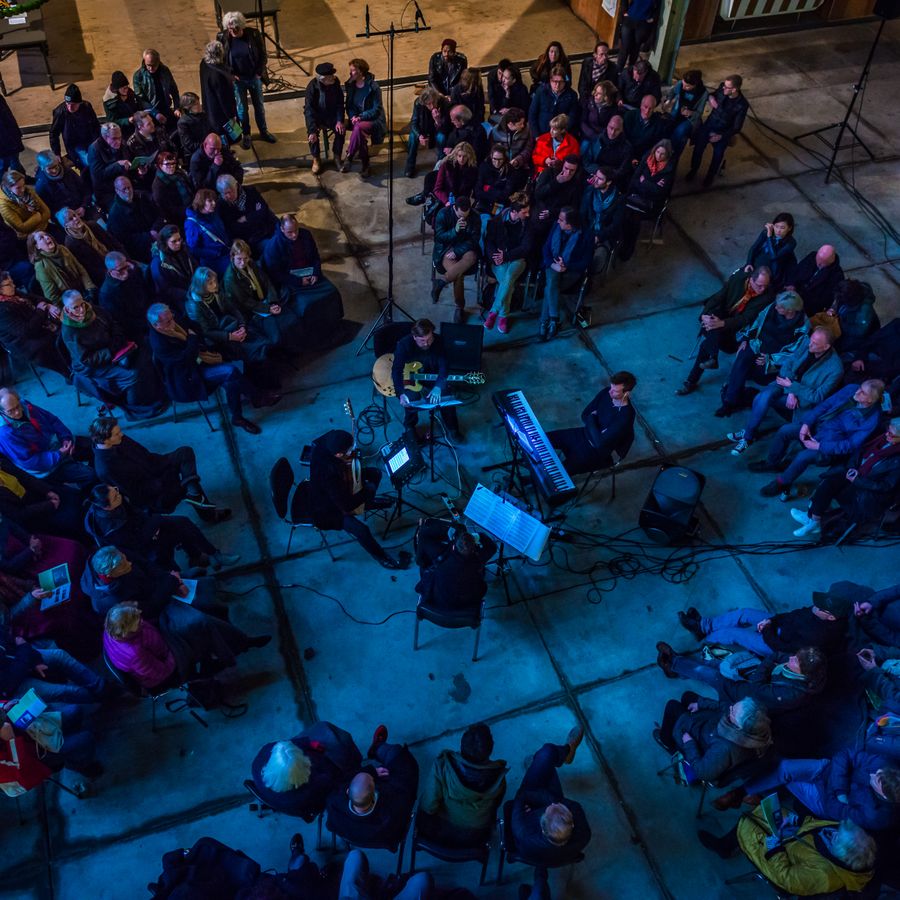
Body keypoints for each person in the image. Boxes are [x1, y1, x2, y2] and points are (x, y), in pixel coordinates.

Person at [84, 546, 270, 660]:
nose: (129, 563)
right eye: (124, 566)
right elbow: (150, 608)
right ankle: (240, 643)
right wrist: (171, 584)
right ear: (108, 575)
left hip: (162, 586)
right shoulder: (111, 601)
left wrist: (172, 580)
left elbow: (147, 565)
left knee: (204, 588)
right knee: (200, 619)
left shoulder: (116, 554)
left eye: (125, 559)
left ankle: (230, 634)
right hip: (157, 613)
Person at [750, 379, 883, 500]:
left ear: (870, 400)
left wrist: (819, 446)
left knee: (803, 456)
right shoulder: (852, 388)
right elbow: (825, 405)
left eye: (863, 392)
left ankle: (781, 482)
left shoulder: (872, 419)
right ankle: (772, 463)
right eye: (860, 387)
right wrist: (807, 424)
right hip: (818, 426)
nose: (857, 391)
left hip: (829, 444)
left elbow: (850, 445)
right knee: (785, 430)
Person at [727, 326, 844, 457]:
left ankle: (748, 435)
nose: (810, 345)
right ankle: (748, 436)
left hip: (802, 400)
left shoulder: (835, 369)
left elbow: (818, 396)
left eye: (815, 344)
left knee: (763, 399)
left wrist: (793, 387)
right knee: (764, 396)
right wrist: (791, 391)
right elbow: (787, 365)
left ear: (826, 347)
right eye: (811, 340)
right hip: (786, 385)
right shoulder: (807, 343)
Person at [148, 301, 262, 435]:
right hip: (188, 376)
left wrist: (193, 341)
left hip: (201, 359)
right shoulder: (159, 343)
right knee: (230, 371)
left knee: (231, 380)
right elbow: (186, 359)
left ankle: (238, 417)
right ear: (157, 325)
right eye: (167, 321)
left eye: (171, 316)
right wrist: (192, 339)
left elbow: (196, 328)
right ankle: (256, 396)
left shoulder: (173, 319)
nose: (172, 321)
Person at [698, 814, 876, 897]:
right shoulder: (845, 834)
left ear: (841, 855)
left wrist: (774, 849)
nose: (833, 831)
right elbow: (818, 827)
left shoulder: (825, 876)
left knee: (747, 824)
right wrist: (797, 820)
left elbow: (786, 879)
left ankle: (724, 847)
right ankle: (728, 844)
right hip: (793, 840)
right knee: (762, 812)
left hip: (778, 864)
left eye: (837, 837)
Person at [90, 414, 231, 519]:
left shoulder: (118, 440)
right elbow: (134, 492)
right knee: (185, 484)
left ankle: (193, 493)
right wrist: (162, 481)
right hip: (153, 491)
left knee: (185, 452)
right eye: (117, 434)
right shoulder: (105, 468)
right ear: (105, 439)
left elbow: (145, 453)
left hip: (155, 466)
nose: (121, 434)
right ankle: (207, 512)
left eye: (119, 431)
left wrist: (162, 463)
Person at [308, 429, 409, 569]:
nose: (351, 452)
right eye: (348, 451)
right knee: (361, 530)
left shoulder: (325, 441)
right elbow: (346, 505)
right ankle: (382, 557)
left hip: (337, 484)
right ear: (338, 454)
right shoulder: (329, 475)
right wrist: (368, 491)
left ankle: (367, 503)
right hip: (327, 508)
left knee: (375, 474)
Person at [61, 290, 168, 419]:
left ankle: (152, 393)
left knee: (145, 356)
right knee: (132, 374)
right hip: (93, 366)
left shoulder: (93, 310)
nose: (82, 310)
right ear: (67, 309)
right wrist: (111, 351)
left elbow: (113, 324)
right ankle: (136, 405)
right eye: (76, 307)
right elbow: (87, 359)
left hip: (114, 348)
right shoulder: (69, 331)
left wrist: (117, 339)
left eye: (82, 304)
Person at [739, 750, 900, 835]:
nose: (873, 773)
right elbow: (845, 754)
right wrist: (840, 791)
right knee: (784, 767)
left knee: (786, 776)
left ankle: (750, 792)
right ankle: (743, 791)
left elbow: (833, 809)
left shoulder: (877, 817)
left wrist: (836, 790)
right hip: (828, 770)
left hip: (822, 799)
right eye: (877, 772)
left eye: (876, 779)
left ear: (883, 794)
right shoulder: (888, 767)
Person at [85, 482, 236, 572]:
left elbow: (135, 512)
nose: (119, 494)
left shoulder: (116, 500)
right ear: (106, 507)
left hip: (145, 526)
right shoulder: (111, 529)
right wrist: (154, 527)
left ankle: (211, 555)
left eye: (115, 490)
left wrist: (150, 521)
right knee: (166, 555)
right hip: (142, 547)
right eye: (115, 496)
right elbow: (135, 544)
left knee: (182, 523)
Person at [675, 266, 775, 397]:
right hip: (721, 320)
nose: (762, 289)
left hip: (737, 334)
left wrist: (721, 323)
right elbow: (719, 297)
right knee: (712, 318)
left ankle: (705, 365)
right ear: (751, 279)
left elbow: (745, 319)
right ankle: (705, 365)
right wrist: (704, 314)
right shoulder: (738, 279)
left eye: (765, 286)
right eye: (759, 285)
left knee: (706, 344)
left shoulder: (766, 297)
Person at [792, 418, 900, 538]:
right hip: (856, 474)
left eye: (891, 434)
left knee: (833, 488)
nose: (886, 434)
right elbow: (859, 452)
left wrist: (857, 480)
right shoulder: (881, 439)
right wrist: (852, 467)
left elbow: (886, 486)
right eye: (887, 431)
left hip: (867, 488)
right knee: (829, 482)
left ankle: (812, 519)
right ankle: (813, 519)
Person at [656, 642, 827, 713]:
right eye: (795, 656)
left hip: (743, 697)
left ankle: (673, 664)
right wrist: (770, 662)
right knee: (717, 665)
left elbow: (756, 687)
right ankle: (678, 669)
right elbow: (778, 655)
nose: (791, 658)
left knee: (712, 675)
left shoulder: (791, 694)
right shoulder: (807, 666)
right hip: (759, 682)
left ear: (802, 673)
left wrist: (768, 664)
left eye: (795, 661)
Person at [715, 289, 809, 418]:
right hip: (757, 344)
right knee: (742, 357)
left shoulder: (802, 326)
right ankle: (729, 402)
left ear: (790, 311)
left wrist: (770, 359)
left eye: (780, 307)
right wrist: (746, 339)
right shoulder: (772, 308)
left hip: (773, 357)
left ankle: (745, 394)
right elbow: (757, 323)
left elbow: (794, 351)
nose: (776, 307)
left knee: (757, 373)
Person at [510, 726, 591, 873]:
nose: (554, 804)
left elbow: (522, 795)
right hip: (555, 854)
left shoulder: (522, 828)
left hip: (528, 832)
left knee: (546, 755)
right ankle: (566, 752)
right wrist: (551, 801)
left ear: (542, 828)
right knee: (546, 764)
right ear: (572, 823)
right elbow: (558, 802)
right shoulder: (583, 834)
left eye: (548, 810)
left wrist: (543, 802)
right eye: (560, 806)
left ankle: (546, 761)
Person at [677, 591, 850, 658]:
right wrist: (772, 620)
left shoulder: (817, 637)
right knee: (744, 613)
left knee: (734, 634)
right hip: (780, 627)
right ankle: (704, 626)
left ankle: (706, 637)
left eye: (819, 607)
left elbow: (783, 647)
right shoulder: (816, 612)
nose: (813, 607)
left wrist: (767, 630)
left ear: (830, 617)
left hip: (775, 646)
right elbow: (794, 614)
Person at [326, 725, 420, 848]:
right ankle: (378, 747)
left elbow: (341, 781)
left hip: (357, 835)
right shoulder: (390, 812)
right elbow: (405, 790)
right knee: (402, 761)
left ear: (348, 791)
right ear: (374, 795)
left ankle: (378, 748)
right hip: (385, 837)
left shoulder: (335, 805)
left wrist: (371, 772)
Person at [259, 214, 344, 346]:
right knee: (307, 305)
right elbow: (275, 274)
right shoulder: (274, 246)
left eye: (296, 230)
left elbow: (315, 256)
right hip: (290, 281)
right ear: (282, 229)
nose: (294, 235)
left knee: (332, 292)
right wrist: (298, 281)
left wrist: (316, 272)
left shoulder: (305, 235)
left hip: (309, 274)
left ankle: (334, 325)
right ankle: (316, 336)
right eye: (290, 232)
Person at [418, 722, 507, 846]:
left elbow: (428, 806)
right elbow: (495, 807)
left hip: (438, 833)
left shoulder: (442, 766)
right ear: (490, 750)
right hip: (475, 839)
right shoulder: (499, 778)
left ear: (462, 746)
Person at [251, 721, 361, 818]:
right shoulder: (316, 782)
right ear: (301, 769)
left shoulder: (260, 761)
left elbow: (289, 745)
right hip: (310, 805)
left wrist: (307, 743)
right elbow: (335, 778)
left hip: (276, 800)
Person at [653, 697, 772, 785]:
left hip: (698, 744)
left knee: (672, 706)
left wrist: (689, 743)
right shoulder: (757, 721)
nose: (731, 708)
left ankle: (667, 743)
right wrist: (701, 704)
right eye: (734, 706)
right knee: (687, 696)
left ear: (739, 727)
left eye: (732, 712)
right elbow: (726, 707)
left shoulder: (725, 748)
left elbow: (703, 772)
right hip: (708, 729)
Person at [0, 388, 95, 488]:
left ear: (19, 400)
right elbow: (29, 461)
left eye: (17, 406)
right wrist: (60, 454)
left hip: (55, 445)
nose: (17, 413)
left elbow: (52, 420)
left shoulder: (26, 405)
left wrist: (66, 439)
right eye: (10, 411)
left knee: (95, 447)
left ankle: (79, 475)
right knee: (90, 475)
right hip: (44, 465)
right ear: (1, 412)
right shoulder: (6, 434)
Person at [549, 372, 637, 475]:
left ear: (626, 393)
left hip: (594, 452)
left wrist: (592, 418)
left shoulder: (626, 416)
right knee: (541, 439)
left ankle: (530, 481)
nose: (610, 392)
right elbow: (585, 414)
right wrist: (596, 427)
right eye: (611, 387)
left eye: (615, 391)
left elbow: (599, 443)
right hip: (582, 434)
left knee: (556, 475)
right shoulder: (606, 393)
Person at [392, 319, 462, 443]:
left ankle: (452, 428)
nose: (427, 343)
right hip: (411, 379)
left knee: (447, 397)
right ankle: (410, 426)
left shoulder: (439, 341)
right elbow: (397, 370)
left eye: (429, 339)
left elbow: (444, 365)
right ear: (414, 337)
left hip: (432, 375)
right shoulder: (403, 345)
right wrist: (400, 393)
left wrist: (438, 387)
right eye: (422, 341)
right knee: (411, 400)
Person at [222, 239, 300, 351]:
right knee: (276, 332)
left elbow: (266, 282)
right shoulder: (230, 279)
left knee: (291, 318)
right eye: (239, 259)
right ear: (232, 257)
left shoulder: (251, 264)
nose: (243, 263)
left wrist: (273, 301)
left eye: (245, 258)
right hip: (252, 310)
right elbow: (245, 302)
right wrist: (268, 308)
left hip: (264, 301)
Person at [218, 11, 276, 149]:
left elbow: (263, 56)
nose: (233, 31)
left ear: (242, 26)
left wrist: (258, 73)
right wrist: (231, 74)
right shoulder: (223, 37)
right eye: (230, 29)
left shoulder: (254, 34)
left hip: (254, 77)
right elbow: (221, 60)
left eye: (236, 29)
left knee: (259, 107)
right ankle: (247, 135)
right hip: (238, 80)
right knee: (242, 110)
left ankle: (263, 131)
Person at [414, 520, 497, 613]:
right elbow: (492, 547)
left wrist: (448, 529)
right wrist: (479, 535)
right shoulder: (478, 559)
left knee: (425, 566)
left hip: (436, 602)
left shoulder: (438, 554)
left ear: (454, 544)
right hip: (467, 606)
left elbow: (423, 535)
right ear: (474, 548)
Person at [538, 206, 592, 341]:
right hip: (552, 265)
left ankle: (545, 322)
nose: (558, 222)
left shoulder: (586, 235)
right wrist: (553, 264)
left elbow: (585, 262)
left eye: (561, 220)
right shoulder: (555, 228)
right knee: (552, 281)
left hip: (572, 271)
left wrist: (565, 265)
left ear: (570, 224)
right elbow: (546, 248)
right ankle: (553, 319)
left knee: (550, 287)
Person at [483, 192, 534, 335]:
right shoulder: (496, 221)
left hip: (517, 259)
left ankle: (493, 311)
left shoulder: (527, 225)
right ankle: (503, 315)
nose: (528, 215)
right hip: (498, 259)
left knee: (508, 277)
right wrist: (495, 256)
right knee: (508, 281)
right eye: (524, 212)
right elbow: (489, 242)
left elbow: (526, 247)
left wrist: (506, 256)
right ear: (514, 212)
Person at [617, 139, 676, 262]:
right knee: (625, 215)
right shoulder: (646, 160)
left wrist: (644, 182)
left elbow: (660, 193)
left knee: (635, 219)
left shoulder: (668, 170)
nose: (659, 156)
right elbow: (634, 180)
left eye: (662, 154)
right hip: (635, 197)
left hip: (651, 204)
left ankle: (629, 246)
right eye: (658, 152)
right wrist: (651, 185)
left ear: (667, 155)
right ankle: (623, 241)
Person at [0, 272, 68, 376]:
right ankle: (72, 375)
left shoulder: (14, 294)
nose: (13, 286)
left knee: (71, 327)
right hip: (28, 345)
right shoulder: (2, 311)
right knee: (60, 343)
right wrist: (40, 310)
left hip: (40, 327)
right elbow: (27, 331)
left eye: (12, 282)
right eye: (8, 284)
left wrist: (48, 306)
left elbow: (37, 299)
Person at [687, 75, 748, 187]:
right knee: (698, 148)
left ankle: (710, 176)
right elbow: (712, 95)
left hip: (723, 131)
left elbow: (737, 127)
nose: (723, 88)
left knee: (718, 155)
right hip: (710, 124)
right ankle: (693, 170)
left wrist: (722, 136)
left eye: (726, 87)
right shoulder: (722, 88)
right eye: (724, 85)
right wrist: (710, 98)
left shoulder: (742, 105)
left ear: (734, 89)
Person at [431, 195, 480, 324]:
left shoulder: (474, 217)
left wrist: (457, 251)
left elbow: (474, 240)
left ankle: (441, 282)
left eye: (467, 214)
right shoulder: (443, 214)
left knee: (472, 256)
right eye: (461, 216)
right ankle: (460, 307)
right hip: (446, 249)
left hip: (464, 249)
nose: (464, 218)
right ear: (454, 208)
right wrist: (455, 231)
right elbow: (439, 237)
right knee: (458, 275)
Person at [57, 206, 123, 287]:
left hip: (116, 259)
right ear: (66, 226)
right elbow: (90, 268)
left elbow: (113, 242)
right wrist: (111, 272)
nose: (75, 218)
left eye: (75, 215)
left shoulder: (92, 225)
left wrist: (124, 257)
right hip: (104, 274)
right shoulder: (71, 244)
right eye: (71, 219)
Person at [341, 59, 385, 178]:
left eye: (353, 71)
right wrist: (353, 116)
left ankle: (349, 155)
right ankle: (365, 165)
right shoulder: (350, 85)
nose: (350, 73)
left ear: (360, 71)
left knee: (359, 128)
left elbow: (377, 109)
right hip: (357, 120)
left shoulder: (373, 87)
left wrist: (361, 116)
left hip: (373, 119)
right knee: (358, 130)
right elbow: (349, 105)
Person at [27, 230, 94, 307]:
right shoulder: (40, 266)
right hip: (71, 303)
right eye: (41, 238)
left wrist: (90, 288)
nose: (47, 237)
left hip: (83, 291)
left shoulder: (62, 249)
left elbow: (80, 269)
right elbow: (52, 296)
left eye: (46, 235)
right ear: (37, 246)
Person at [97, 252, 153, 343]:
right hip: (138, 327)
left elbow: (145, 289)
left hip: (148, 311)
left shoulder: (132, 271)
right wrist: (147, 323)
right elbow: (122, 320)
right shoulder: (107, 294)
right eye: (120, 270)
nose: (126, 273)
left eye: (126, 266)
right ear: (110, 271)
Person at [106, 176, 160, 264]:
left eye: (129, 187)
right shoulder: (115, 215)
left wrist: (155, 229)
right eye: (124, 189)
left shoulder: (142, 196)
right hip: (142, 249)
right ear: (117, 191)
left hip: (157, 234)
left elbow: (158, 214)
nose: (128, 191)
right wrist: (149, 236)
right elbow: (125, 240)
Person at [304, 62, 346, 174]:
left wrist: (339, 120)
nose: (333, 78)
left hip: (331, 115)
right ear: (323, 79)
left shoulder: (335, 83)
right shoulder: (312, 88)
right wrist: (312, 130)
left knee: (341, 130)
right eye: (330, 77)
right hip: (318, 117)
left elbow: (340, 104)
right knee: (312, 135)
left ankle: (337, 156)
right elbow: (309, 110)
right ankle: (316, 158)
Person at [403, 86, 451, 179]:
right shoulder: (418, 103)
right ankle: (410, 164)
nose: (432, 106)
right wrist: (419, 135)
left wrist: (438, 120)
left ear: (436, 98)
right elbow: (414, 123)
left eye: (433, 102)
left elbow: (447, 128)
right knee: (412, 138)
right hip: (423, 129)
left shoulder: (444, 103)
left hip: (437, 130)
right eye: (428, 104)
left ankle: (439, 167)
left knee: (442, 138)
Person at [48, 84, 101, 167]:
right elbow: (53, 133)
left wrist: (98, 140)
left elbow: (95, 124)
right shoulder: (60, 112)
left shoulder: (87, 107)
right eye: (67, 103)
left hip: (90, 139)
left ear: (79, 103)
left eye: (73, 104)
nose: (70, 107)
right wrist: (56, 153)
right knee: (89, 162)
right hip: (75, 145)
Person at [784, 244, 844, 316]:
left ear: (830, 262)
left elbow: (825, 299)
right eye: (818, 259)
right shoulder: (812, 257)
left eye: (822, 263)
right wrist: (791, 284)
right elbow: (797, 270)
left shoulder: (837, 276)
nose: (818, 263)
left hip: (809, 306)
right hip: (795, 293)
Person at [184, 189, 231, 276]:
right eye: (210, 201)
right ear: (201, 202)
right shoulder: (192, 223)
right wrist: (215, 253)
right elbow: (193, 249)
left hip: (226, 252)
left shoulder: (213, 213)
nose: (214, 203)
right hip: (213, 261)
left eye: (214, 200)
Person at [199, 41, 239, 143]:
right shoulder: (219, 75)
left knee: (216, 133)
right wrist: (231, 115)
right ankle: (225, 153)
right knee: (226, 137)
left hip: (209, 109)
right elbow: (225, 98)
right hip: (221, 113)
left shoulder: (203, 63)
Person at [661, 68, 707, 156]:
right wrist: (668, 101)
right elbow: (672, 91)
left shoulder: (703, 94)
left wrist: (690, 113)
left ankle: (670, 153)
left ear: (695, 85)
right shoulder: (681, 84)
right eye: (683, 84)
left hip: (689, 119)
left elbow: (699, 113)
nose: (683, 87)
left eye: (687, 86)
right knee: (665, 128)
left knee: (680, 131)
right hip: (676, 113)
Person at [87, 123, 133, 210]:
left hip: (125, 184)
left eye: (120, 137)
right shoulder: (94, 149)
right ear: (105, 137)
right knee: (123, 210)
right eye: (114, 139)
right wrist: (117, 165)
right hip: (108, 191)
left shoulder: (122, 144)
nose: (118, 141)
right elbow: (98, 174)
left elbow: (129, 161)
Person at [581, 114, 634, 189]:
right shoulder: (597, 139)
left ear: (621, 130)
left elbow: (622, 171)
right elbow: (586, 161)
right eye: (611, 128)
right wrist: (597, 173)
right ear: (607, 126)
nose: (612, 132)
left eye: (617, 130)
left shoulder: (627, 147)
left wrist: (604, 177)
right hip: (594, 172)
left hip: (612, 179)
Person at [581, 166, 624, 258]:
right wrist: (586, 232)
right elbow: (582, 214)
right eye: (596, 176)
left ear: (608, 182)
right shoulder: (590, 191)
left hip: (605, 235)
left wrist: (599, 237)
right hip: (588, 229)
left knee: (597, 258)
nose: (595, 180)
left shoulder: (619, 199)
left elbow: (615, 225)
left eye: (600, 179)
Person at [33, 152, 91, 220]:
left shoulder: (68, 171)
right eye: (50, 168)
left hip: (84, 208)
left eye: (55, 166)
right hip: (66, 219)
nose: (54, 170)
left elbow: (85, 189)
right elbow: (48, 211)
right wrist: (66, 216)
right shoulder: (41, 186)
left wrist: (84, 206)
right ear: (42, 168)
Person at [744, 213, 797, 286]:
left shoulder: (791, 243)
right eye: (776, 226)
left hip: (773, 269)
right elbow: (754, 248)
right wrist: (749, 263)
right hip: (758, 263)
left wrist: (769, 237)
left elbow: (774, 257)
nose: (778, 230)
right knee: (741, 280)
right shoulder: (766, 232)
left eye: (782, 228)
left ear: (789, 228)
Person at [474, 145, 526, 219]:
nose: (497, 162)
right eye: (495, 159)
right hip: (483, 204)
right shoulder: (484, 167)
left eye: (500, 159)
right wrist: (497, 192)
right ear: (491, 157)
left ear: (504, 158)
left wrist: (489, 189)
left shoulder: (510, 170)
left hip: (501, 205)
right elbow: (478, 191)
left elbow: (507, 193)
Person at [149, 225, 196, 307]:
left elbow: (194, 265)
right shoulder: (158, 263)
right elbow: (166, 290)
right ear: (165, 243)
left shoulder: (184, 249)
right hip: (178, 298)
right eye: (174, 241)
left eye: (179, 239)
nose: (178, 243)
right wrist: (188, 295)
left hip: (192, 288)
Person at [133, 49, 180, 128]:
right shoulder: (138, 76)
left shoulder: (165, 71)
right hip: (150, 114)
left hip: (166, 109)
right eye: (148, 65)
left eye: (153, 65)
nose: (151, 68)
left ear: (158, 62)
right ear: (144, 62)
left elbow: (174, 90)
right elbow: (141, 99)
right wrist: (155, 114)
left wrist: (176, 108)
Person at [529, 67, 580, 139]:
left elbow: (572, 117)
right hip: (542, 134)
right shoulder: (541, 91)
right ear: (550, 81)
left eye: (561, 82)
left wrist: (561, 132)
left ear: (565, 82)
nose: (557, 85)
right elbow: (532, 114)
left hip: (561, 135)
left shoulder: (572, 95)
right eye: (554, 81)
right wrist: (537, 135)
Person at [0, 170, 51, 241]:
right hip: (28, 236)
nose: (23, 189)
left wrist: (40, 226)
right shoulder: (3, 205)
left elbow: (47, 212)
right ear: (9, 188)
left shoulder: (28, 191)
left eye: (23, 185)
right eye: (18, 188)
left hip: (43, 227)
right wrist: (37, 217)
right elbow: (22, 228)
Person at [152, 152, 195, 227]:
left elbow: (190, 188)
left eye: (173, 163)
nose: (172, 166)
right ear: (160, 165)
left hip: (192, 206)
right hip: (179, 218)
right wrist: (188, 210)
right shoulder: (158, 186)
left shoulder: (179, 173)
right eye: (168, 164)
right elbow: (167, 210)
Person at [623, 93, 670, 159]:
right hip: (627, 152)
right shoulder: (629, 116)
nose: (647, 111)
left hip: (644, 156)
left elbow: (655, 145)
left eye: (650, 108)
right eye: (645, 107)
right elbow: (624, 138)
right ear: (641, 106)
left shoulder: (659, 123)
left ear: (654, 109)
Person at [488, 108, 534, 174]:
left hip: (519, 165)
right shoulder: (496, 131)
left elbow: (528, 149)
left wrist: (518, 160)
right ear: (510, 124)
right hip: (500, 164)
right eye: (520, 124)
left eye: (523, 123)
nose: (523, 125)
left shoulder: (527, 130)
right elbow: (492, 149)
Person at [433, 141, 478, 207]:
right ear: (456, 155)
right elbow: (437, 189)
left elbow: (475, 190)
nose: (461, 159)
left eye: (465, 156)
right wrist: (446, 201)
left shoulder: (473, 169)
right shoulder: (446, 165)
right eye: (459, 156)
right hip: (446, 199)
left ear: (469, 156)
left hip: (463, 203)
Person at [618, 0, 659, 68]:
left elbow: (658, 7)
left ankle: (630, 71)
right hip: (629, 19)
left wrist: (653, 18)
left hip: (643, 23)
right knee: (625, 47)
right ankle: (618, 72)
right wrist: (624, 11)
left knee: (635, 48)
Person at [176, 92, 210, 161]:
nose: (200, 105)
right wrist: (208, 145)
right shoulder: (182, 123)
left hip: (208, 149)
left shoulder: (202, 115)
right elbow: (189, 145)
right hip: (195, 155)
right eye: (196, 104)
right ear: (188, 108)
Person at [0, 95, 24, 175]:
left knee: (15, 161)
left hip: (11, 137)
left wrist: (16, 134)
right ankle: (7, 184)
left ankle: (20, 178)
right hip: (4, 143)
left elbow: (9, 117)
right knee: (3, 165)